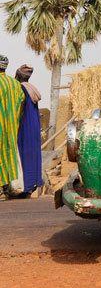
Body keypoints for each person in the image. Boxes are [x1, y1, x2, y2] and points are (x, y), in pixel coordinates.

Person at [14, 65, 43, 196]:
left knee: (23, 155)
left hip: (24, 127)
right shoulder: (32, 88)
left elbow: (18, 109)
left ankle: (25, 188)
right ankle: (32, 185)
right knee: (33, 155)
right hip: (34, 127)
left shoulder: (21, 89)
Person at [0, 54, 25, 194]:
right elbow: (22, 103)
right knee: (9, 155)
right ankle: (10, 186)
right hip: (12, 127)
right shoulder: (15, 84)